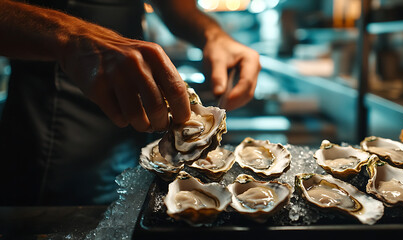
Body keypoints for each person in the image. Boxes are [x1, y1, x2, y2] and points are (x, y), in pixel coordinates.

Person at [0, 0, 260, 205]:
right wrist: (70, 35)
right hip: (51, 128)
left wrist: (213, 34)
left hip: (133, 115)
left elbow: (176, 7)